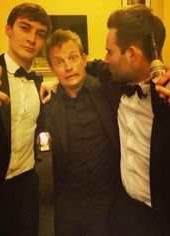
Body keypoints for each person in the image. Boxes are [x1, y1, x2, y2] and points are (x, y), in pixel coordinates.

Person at [87, 5, 170, 236]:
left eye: (110, 51)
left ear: (131, 54)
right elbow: (88, 66)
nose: (106, 59)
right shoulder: (114, 82)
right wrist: (51, 83)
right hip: (125, 213)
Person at [0, 3, 51, 236]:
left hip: (26, 188)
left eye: (40, 34)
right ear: (8, 29)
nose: (32, 38)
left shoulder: (36, 82)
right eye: (25, 28)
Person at [40, 29, 122, 236]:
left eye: (73, 58)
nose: (68, 67)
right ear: (51, 68)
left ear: (84, 59)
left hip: (108, 196)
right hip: (69, 200)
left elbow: (141, 69)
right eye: (59, 62)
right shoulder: (46, 104)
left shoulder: (107, 87)